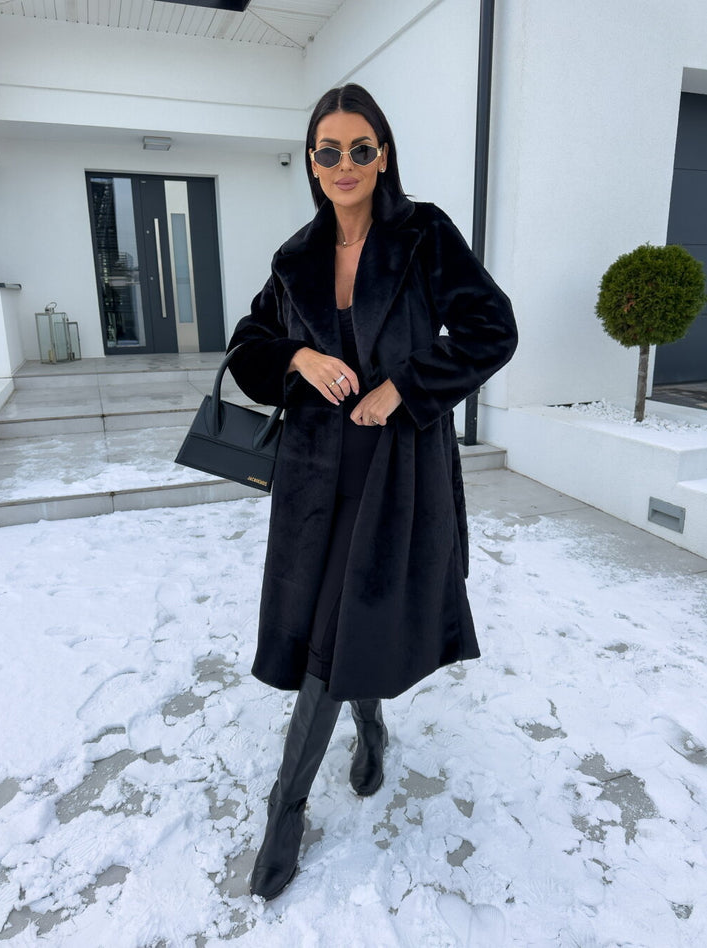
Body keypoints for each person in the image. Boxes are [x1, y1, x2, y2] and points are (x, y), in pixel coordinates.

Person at [227, 83, 517, 901]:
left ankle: (284, 811)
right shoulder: (295, 257)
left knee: (332, 632)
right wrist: (296, 356)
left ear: (382, 155)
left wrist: (404, 388)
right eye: (329, 151)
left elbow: (492, 328)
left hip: (397, 474)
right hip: (314, 479)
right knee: (326, 624)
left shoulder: (423, 234)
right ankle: (371, 726)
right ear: (312, 163)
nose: (344, 163)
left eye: (360, 148)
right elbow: (248, 345)